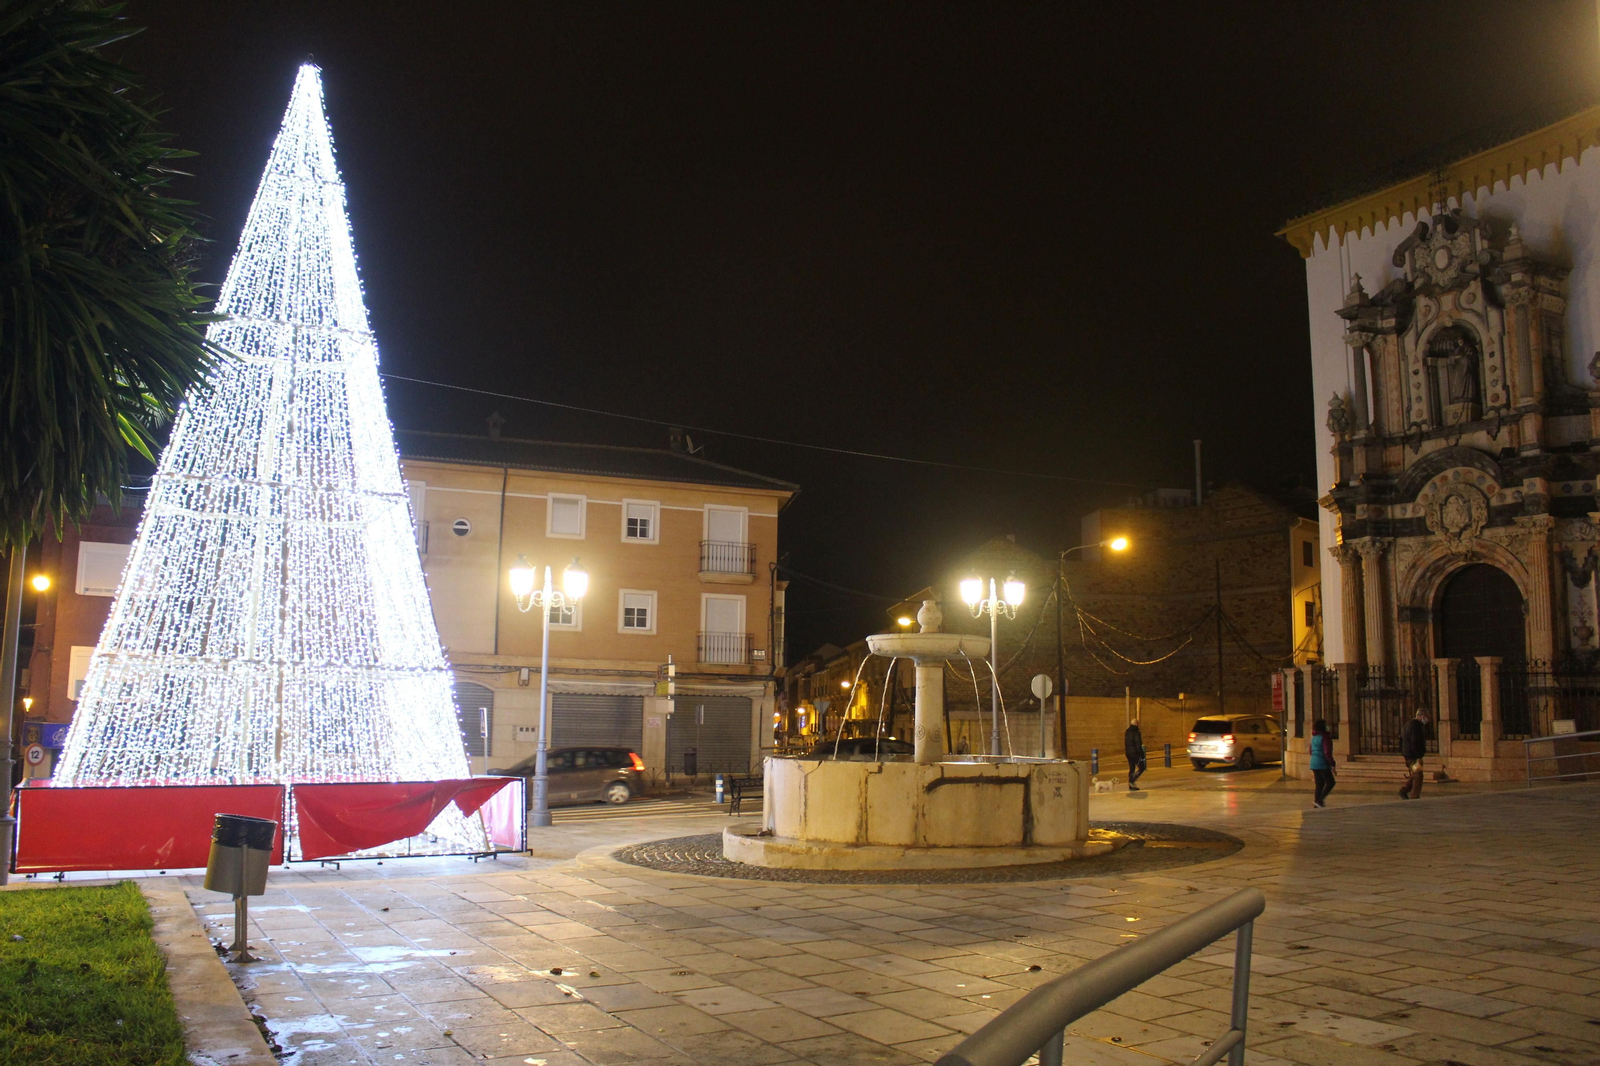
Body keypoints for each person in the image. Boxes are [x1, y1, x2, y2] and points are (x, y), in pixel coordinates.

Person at [1399, 707, 1430, 799]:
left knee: (1415, 773)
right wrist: (1419, 755)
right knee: (1418, 775)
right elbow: (1415, 741)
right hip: (1413, 755)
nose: (1428, 719)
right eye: (1427, 717)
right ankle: (1414, 796)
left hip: (1408, 754)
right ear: (1422, 716)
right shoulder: (1416, 726)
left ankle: (1404, 790)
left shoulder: (1408, 724)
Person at [1309, 718, 1336, 808]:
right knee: (1330, 782)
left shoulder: (1314, 738)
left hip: (1314, 763)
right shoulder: (1325, 737)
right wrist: (1332, 763)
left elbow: (1310, 751)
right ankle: (1319, 800)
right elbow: (1327, 752)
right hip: (1322, 763)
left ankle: (1317, 802)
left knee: (1319, 784)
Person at [1124, 717, 1146, 791]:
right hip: (1135, 753)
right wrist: (1141, 754)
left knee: (1132, 768)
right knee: (1142, 767)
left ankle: (1131, 784)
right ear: (1136, 724)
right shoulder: (1136, 732)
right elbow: (1138, 744)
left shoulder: (1127, 731)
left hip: (1128, 753)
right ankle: (1132, 781)